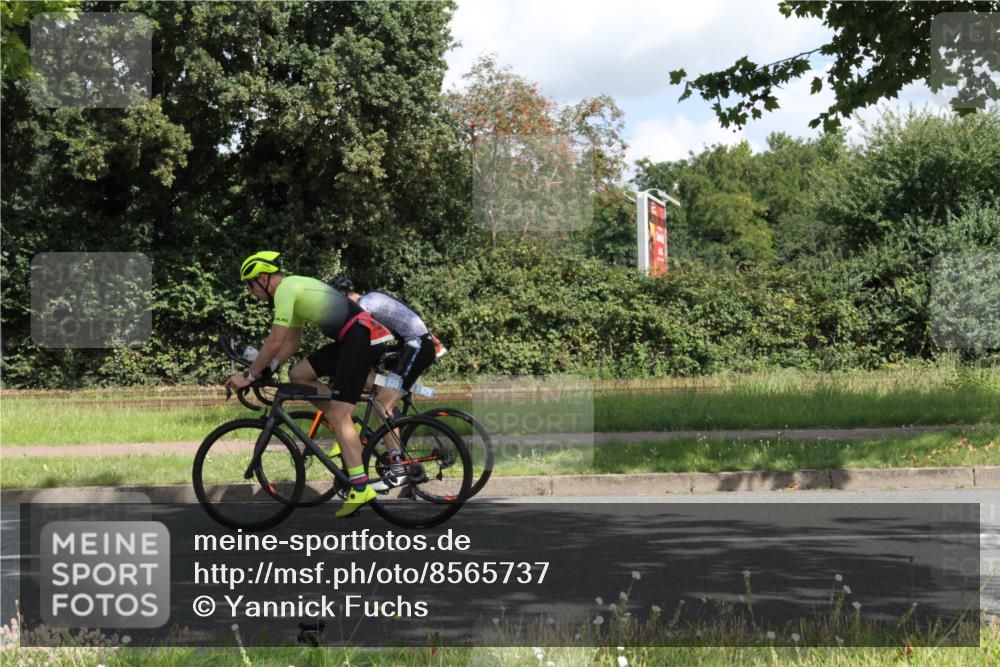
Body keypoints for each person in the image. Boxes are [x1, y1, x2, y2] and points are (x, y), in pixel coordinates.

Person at [225, 251, 392, 517]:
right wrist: (269, 368)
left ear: (263, 277)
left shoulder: (286, 290)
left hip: (361, 337)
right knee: (300, 373)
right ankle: (344, 427)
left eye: (250, 284)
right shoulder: (293, 289)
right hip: (352, 337)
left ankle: (360, 485)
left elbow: (275, 342)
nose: (250, 291)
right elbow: (292, 342)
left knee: (339, 413)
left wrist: (249, 376)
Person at [329, 276, 444, 490]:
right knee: (371, 386)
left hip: (416, 346)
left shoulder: (364, 306)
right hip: (410, 345)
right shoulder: (368, 300)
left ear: (344, 297)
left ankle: (398, 471)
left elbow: (361, 344)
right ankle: (392, 419)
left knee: (382, 406)